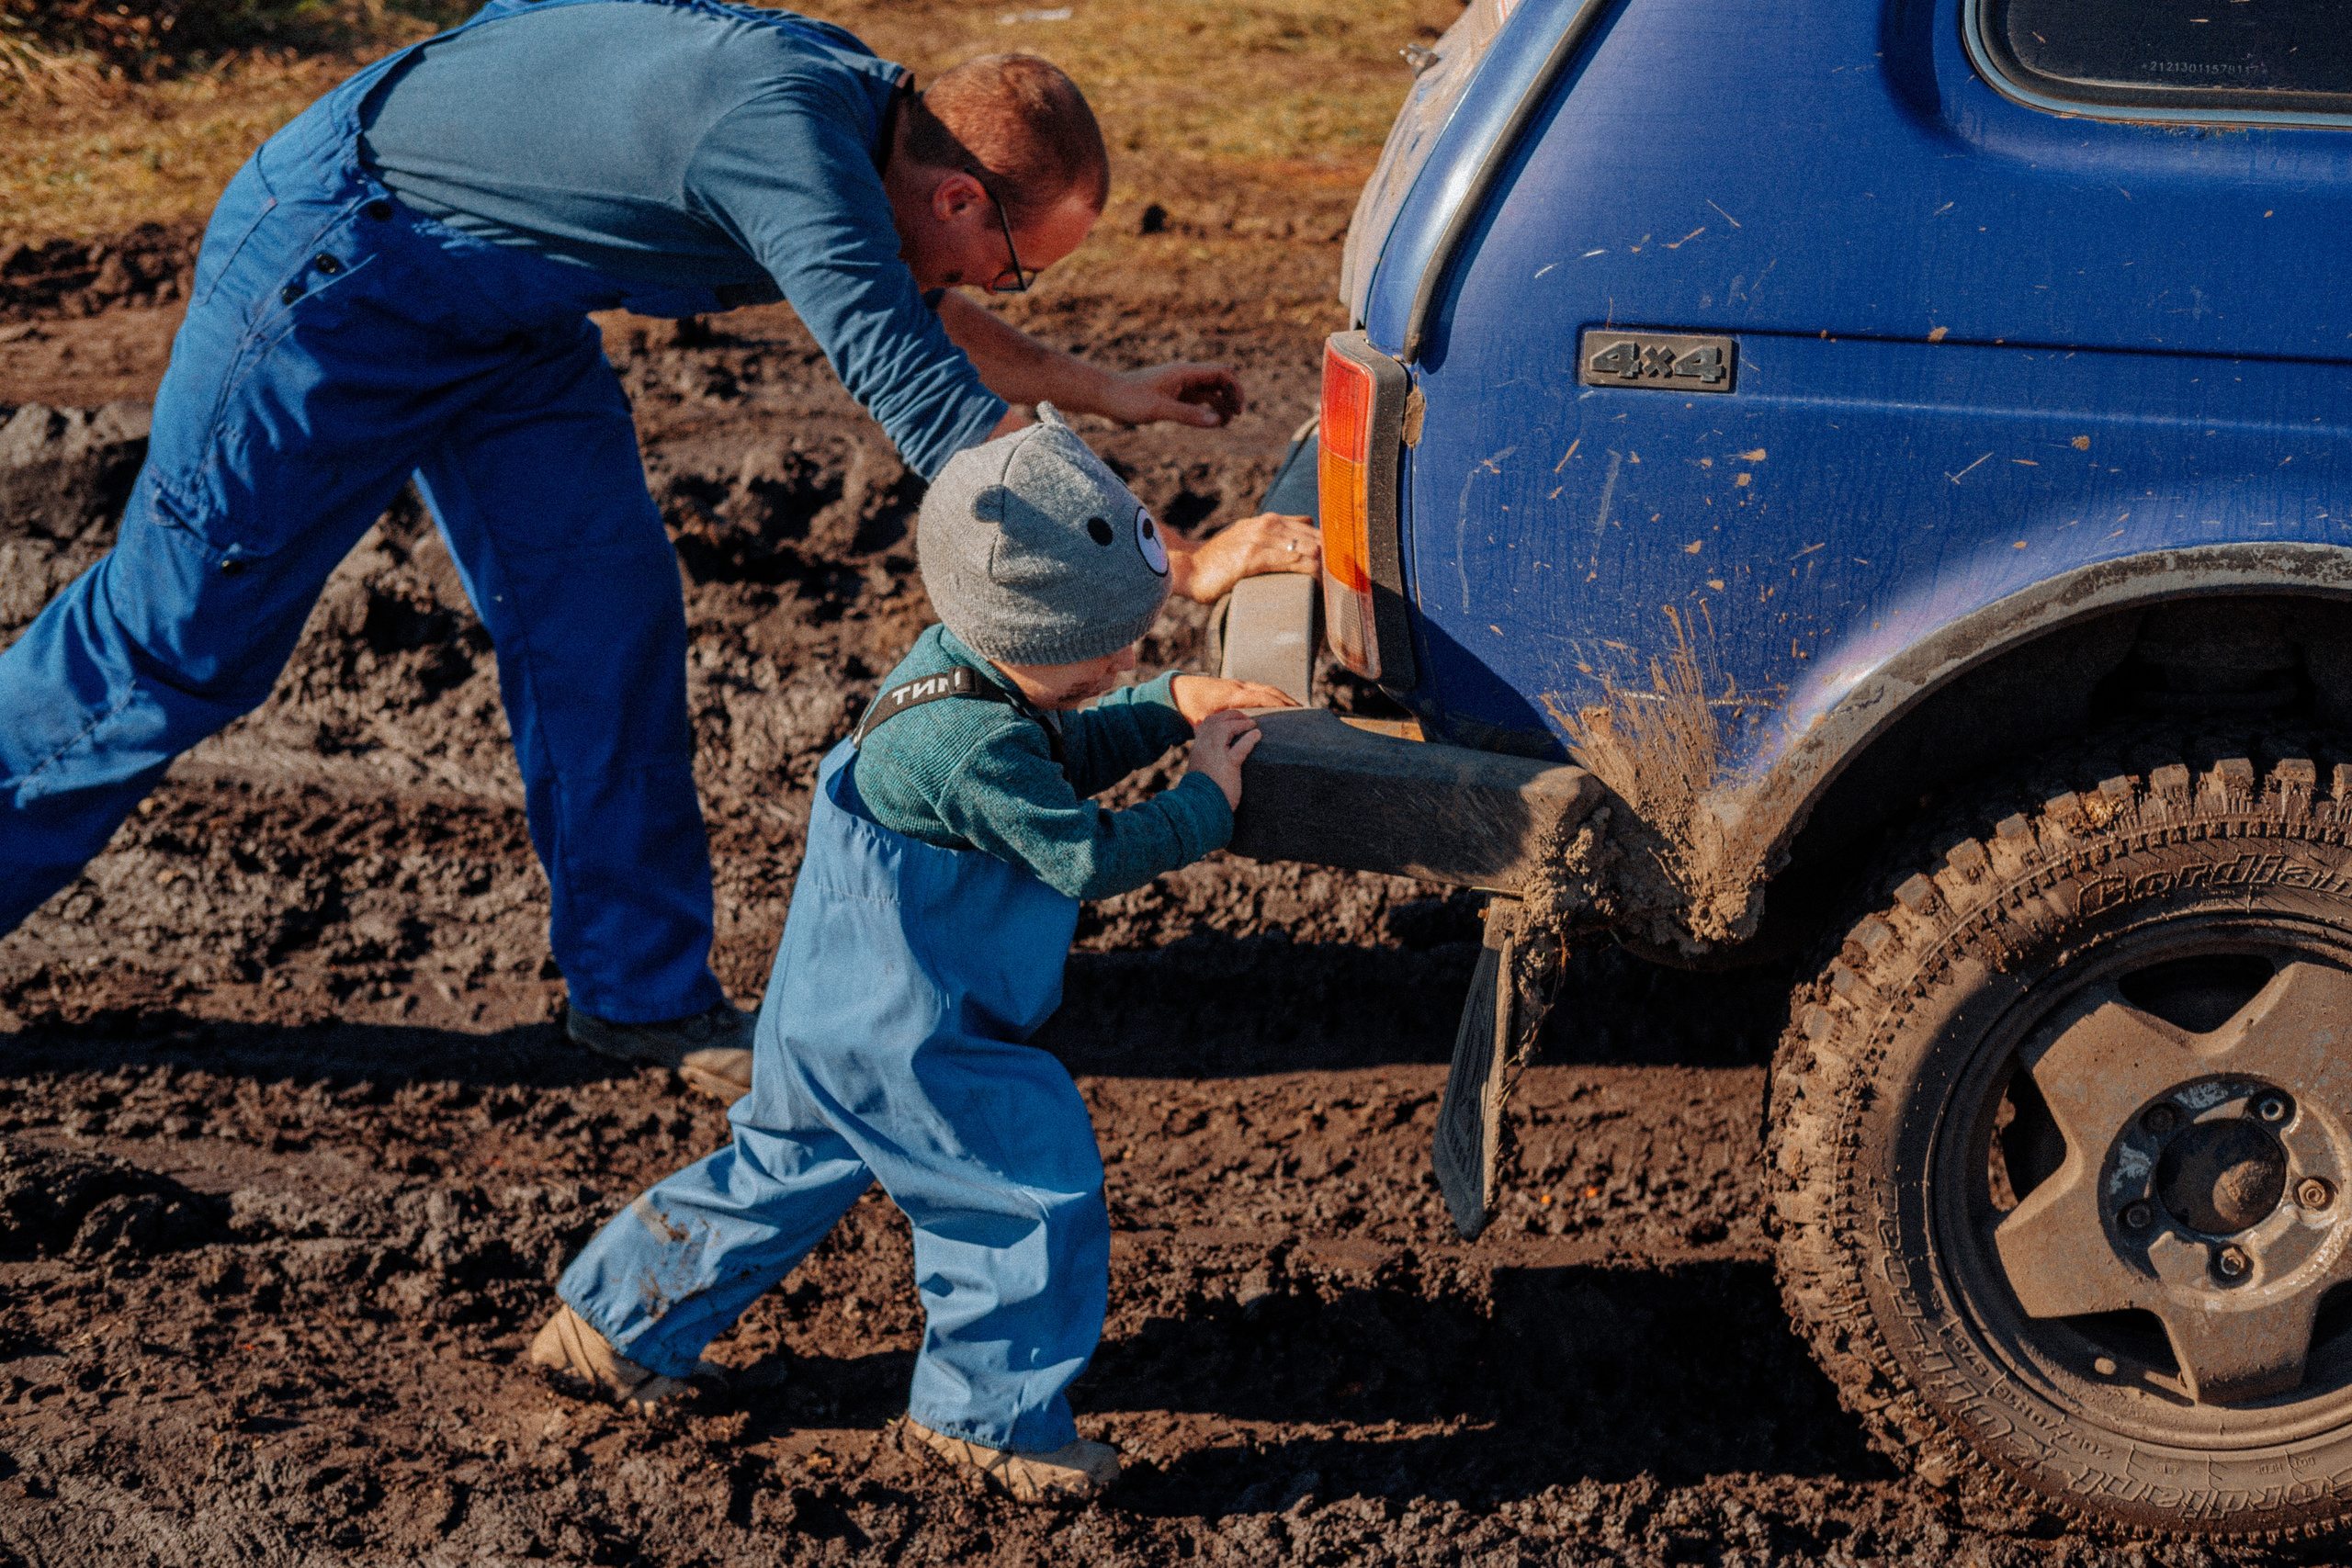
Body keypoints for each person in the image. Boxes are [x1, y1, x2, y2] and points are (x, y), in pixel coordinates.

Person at [0, 0, 1317, 1101]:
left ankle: (639, 996)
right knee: (173, 646)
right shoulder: (789, 141)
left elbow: (921, 311)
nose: (1008, 288)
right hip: (343, 270)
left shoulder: (869, 128)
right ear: (960, 190)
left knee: (604, 622)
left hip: (510, 306)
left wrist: (1104, 388)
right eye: (1021, 266)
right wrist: (1172, 563)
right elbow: (924, 397)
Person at [526, 407, 1297, 1506]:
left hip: (825, 1010)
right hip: (916, 1031)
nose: (1126, 657)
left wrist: (1163, 702)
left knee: (778, 1167)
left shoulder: (954, 675)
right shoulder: (972, 744)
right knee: (1022, 1195)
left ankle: (609, 1326)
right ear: (1018, 632)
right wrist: (1204, 801)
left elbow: (1061, 739)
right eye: (1107, 647)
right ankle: (988, 1423)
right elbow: (1082, 850)